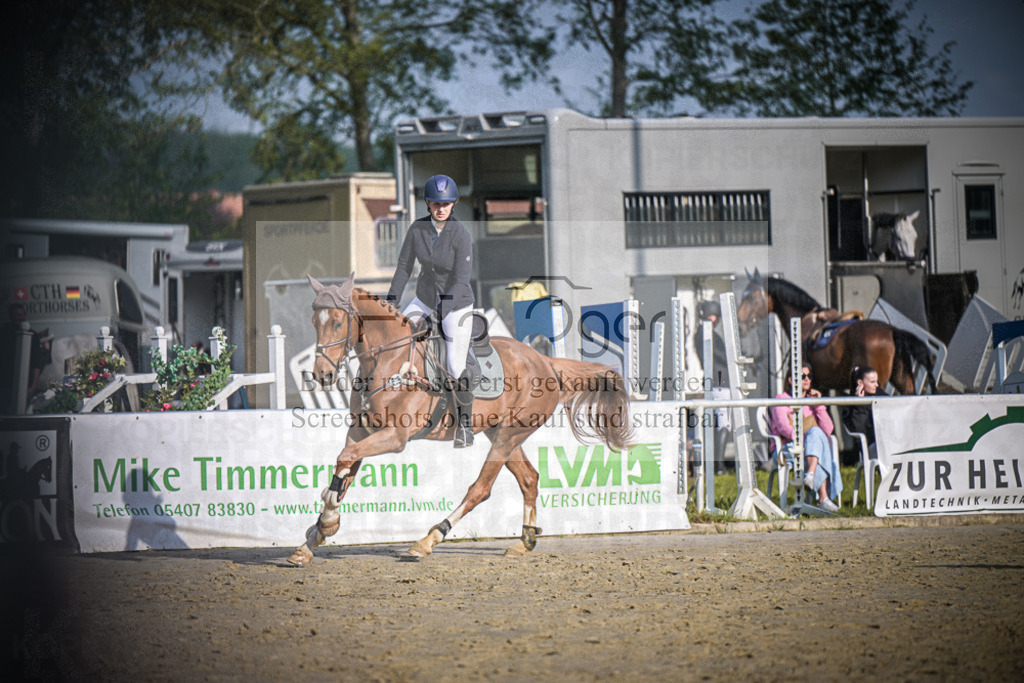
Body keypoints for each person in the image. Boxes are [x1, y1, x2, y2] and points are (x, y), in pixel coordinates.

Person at [386, 174, 476, 448]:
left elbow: (461, 280)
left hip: (456, 304)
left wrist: (442, 309)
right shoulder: (417, 230)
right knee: (396, 337)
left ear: (453, 204)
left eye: (446, 204)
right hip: (424, 298)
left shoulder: (461, 235)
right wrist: (390, 303)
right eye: (436, 203)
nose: (440, 208)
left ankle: (464, 427)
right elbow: (404, 267)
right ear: (427, 202)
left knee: (454, 364)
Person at [769, 363, 843, 512]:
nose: (807, 379)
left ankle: (811, 475)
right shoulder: (781, 399)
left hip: (809, 451)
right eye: (802, 376)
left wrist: (819, 405)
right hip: (788, 448)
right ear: (791, 380)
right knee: (816, 440)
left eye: (809, 376)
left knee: (816, 432)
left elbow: (828, 429)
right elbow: (784, 428)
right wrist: (806, 440)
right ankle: (823, 498)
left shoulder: (812, 401)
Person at [693, 299, 731, 475]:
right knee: (724, 424)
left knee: (721, 424)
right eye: (712, 315)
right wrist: (733, 359)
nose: (714, 319)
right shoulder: (704, 333)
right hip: (719, 384)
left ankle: (717, 465)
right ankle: (719, 467)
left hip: (718, 383)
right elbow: (716, 355)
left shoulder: (706, 333)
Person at [0, 303, 50, 413]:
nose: (21, 318)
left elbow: (36, 363)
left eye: (22, 315)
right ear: (11, 316)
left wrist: (33, 386)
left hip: (25, 388)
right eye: (17, 315)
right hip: (4, 386)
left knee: (23, 417)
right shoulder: (3, 333)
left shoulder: (32, 335)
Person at [841, 365, 880, 465]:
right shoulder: (850, 406)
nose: (877, 385)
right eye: (872, 382)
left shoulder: (880, 396)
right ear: (860, 383)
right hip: (870, 448)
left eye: (877, 381)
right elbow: (859, 430)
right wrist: (860, 405)